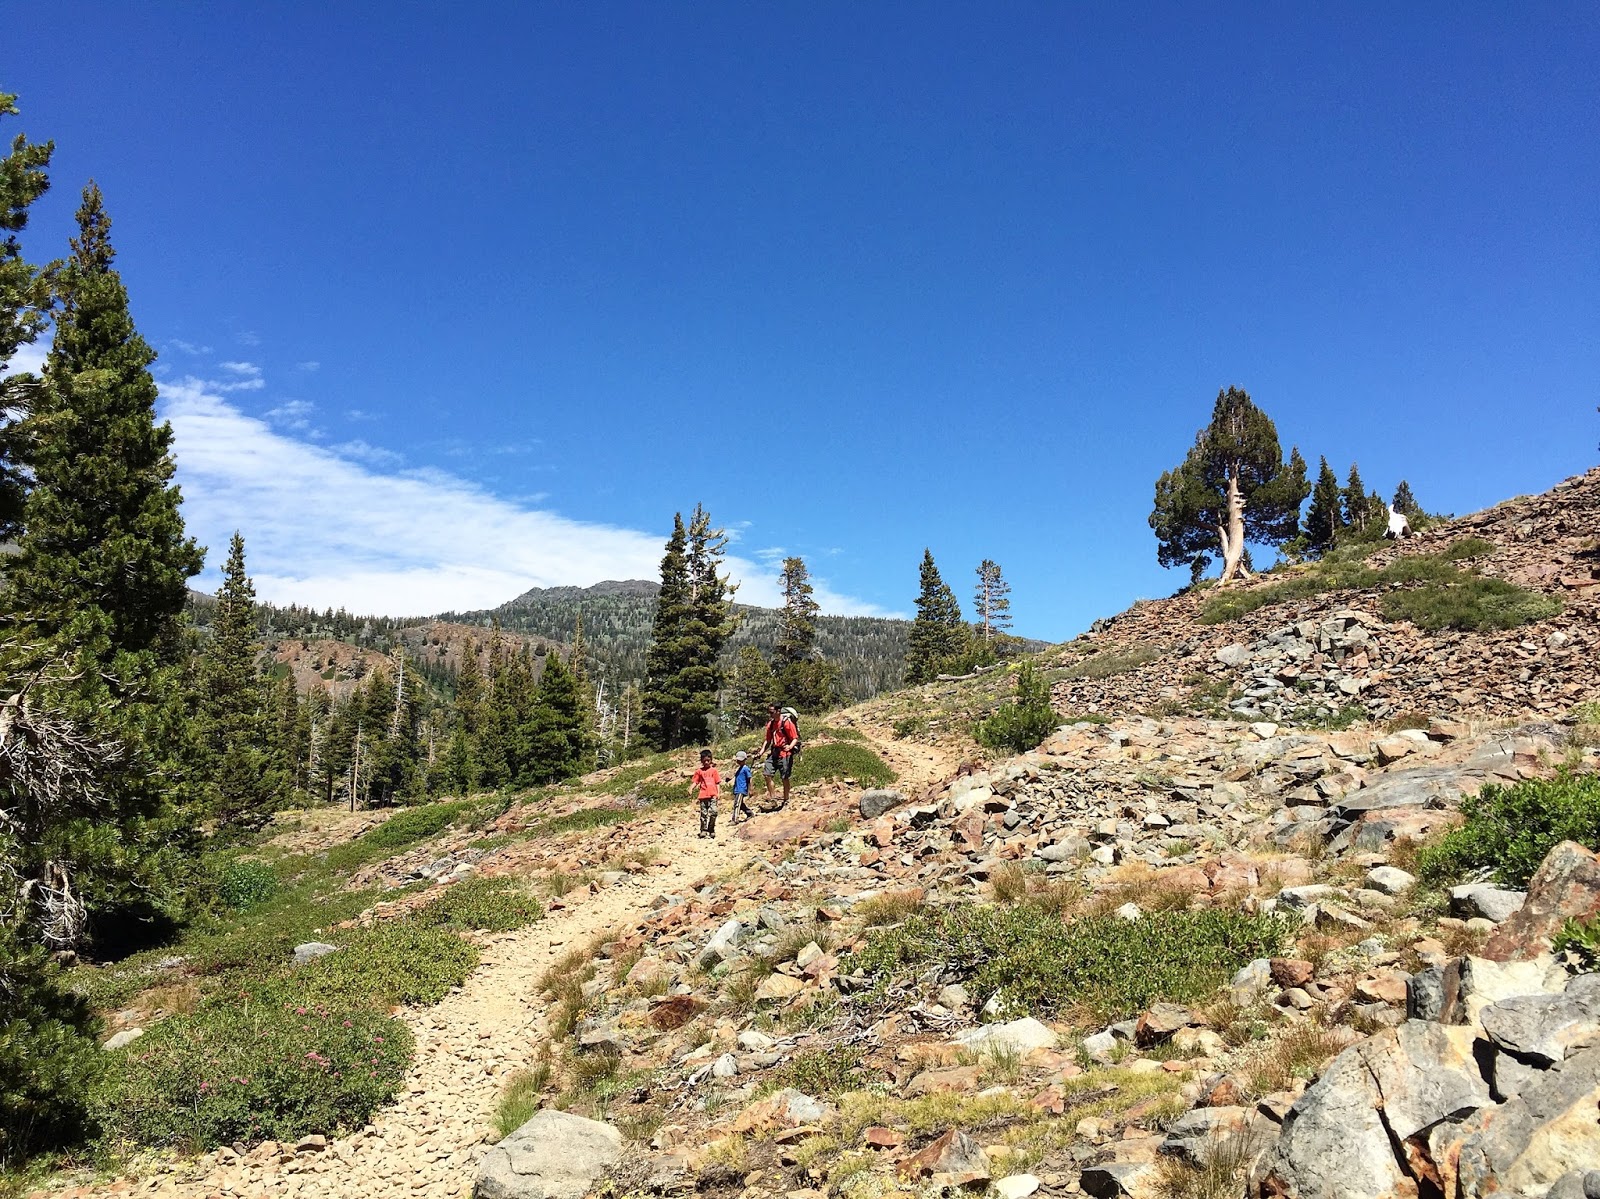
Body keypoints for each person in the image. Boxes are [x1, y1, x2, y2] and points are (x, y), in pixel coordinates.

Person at [757, 702, 799, 809]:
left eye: (771, 712)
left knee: (785, 777)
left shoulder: (786, 722)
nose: (770, 714)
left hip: (785, 753)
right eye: (769, 712)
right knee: (767, 774)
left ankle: (786, 799)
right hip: (774, 752)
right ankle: (773, 799)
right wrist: (761, 752)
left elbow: (795, 738)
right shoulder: (771, 724)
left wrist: (790, 746)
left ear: (778, 711)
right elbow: (768, 740)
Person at [692, 748, 721, 838]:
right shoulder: (699, 771)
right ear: (701, 761)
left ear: (711, 760)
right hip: (703, 795)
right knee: (704, 814)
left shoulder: (714, 771)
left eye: (708, 760)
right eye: (704, 761)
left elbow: (717, 783)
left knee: (714, 812)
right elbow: (695, 781)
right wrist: (691, 788)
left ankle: (711, 828)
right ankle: (703, 829)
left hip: (713, 795)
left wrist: (718, 793)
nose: (706, 762)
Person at [730, 750, 754, 824]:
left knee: (737, 804)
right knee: (740, 804)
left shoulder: (745, 768)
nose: (739, 762)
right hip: (737, 789)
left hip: (741, 789)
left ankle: (735, 819)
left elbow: (749, 778)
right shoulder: (739, 769)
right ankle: (749, 813)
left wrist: (751, 789)